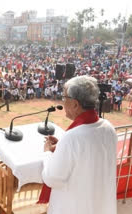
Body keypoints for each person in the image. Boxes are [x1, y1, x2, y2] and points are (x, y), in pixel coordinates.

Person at [40, 76, 117, 214]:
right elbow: (88, 155)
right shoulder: (109, 127)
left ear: (75, 104)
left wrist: (47, 152)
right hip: (100, 204)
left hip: (75, 207)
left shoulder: (72, 138)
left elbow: (52, 178)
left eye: (64, 98)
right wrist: (62, 147)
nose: (63, 103)